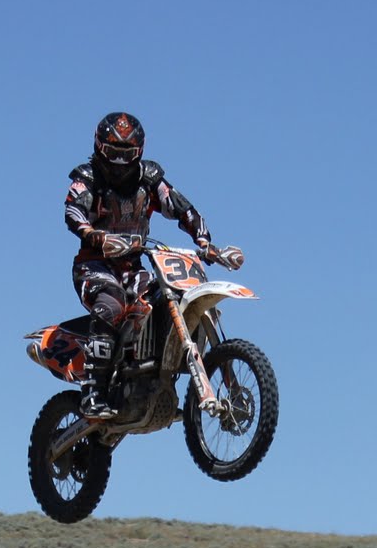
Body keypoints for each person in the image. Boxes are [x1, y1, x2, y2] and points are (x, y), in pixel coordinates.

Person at [64, 112, 243, 419]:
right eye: (114, 153)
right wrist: (94, 235)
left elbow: (182, 208)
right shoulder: (88, 177)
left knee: (164, 296)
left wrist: (204, 242)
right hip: (95, 266)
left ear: (139, 152)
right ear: (100, 148)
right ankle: (92, 393)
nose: (120, 162)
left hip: (134, 265)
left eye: (127, 154)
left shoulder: (149, 180)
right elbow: (73, 211)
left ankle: (152, 369)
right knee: (110, 304)